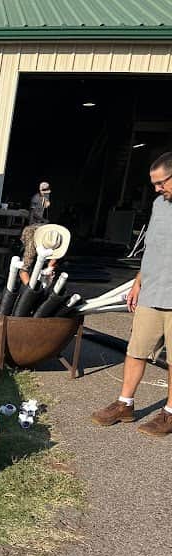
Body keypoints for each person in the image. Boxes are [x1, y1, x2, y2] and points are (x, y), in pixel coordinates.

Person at [92, 152, 172, 436]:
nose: (157, 189)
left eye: (161, 183)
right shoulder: (159, 205)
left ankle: (169, 414)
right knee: (136, 350)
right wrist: (138, 281)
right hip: (152, 291)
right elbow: (152, 247)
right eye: (154, 184)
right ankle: (125, 404)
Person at [19, 181, 56, 286]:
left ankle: (41, 281)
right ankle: (29, 288)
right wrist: (43, 220)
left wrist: (50, 268)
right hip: (35, 228)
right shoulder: (36, 199)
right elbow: (33, 213)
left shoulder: (45, 199)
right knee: (27, 264)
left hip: (43, 229)